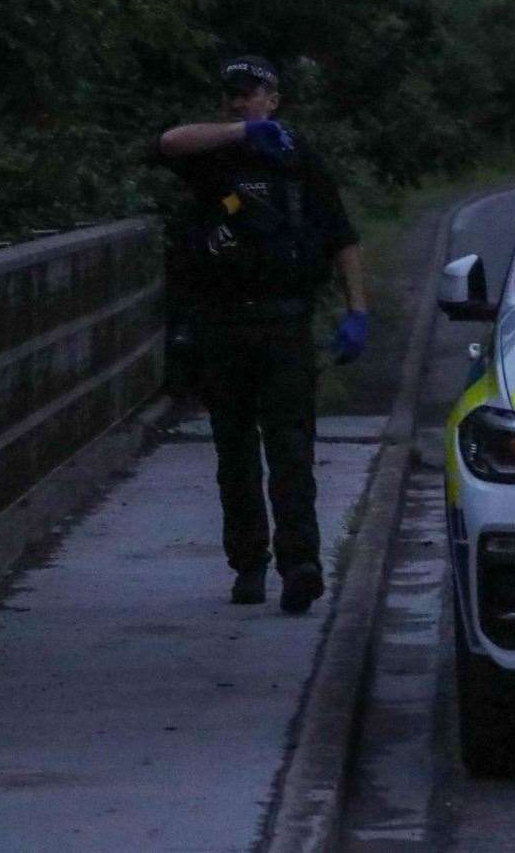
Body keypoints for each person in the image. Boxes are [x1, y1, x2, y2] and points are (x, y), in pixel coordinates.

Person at [157, 55, 368, 613]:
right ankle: (248, 565)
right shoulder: (213, 154)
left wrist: (357, 311)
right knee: (235, 454)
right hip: (222, 324)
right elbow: (169, 142)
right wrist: (242, 132)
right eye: (232, 94)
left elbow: (342, 237)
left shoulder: (300, 161)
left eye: (250, 94)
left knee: (291, 450)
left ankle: (300, 564)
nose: (239, 100)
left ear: (274, 98)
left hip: (284, 322)